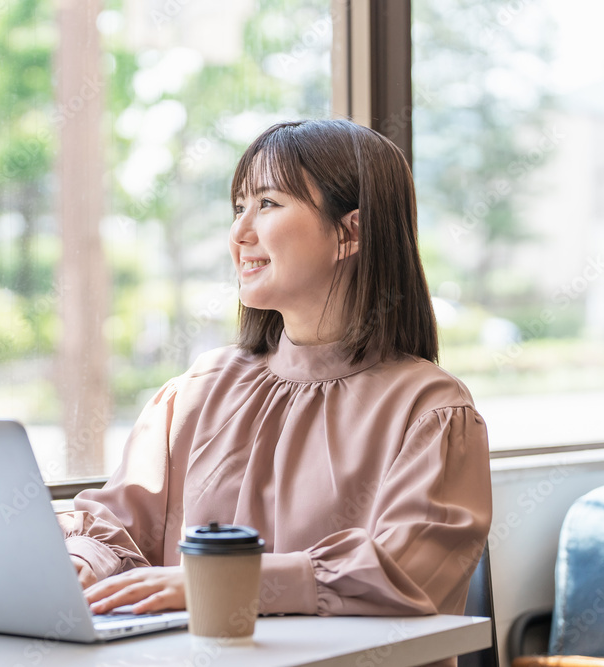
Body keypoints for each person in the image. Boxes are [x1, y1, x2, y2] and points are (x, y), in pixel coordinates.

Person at [57, 119, 493, 623]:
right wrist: (81, 563)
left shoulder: (432, 411)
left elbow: (404, 574)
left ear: (350, 232)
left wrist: (221, 587)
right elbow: (118, 527)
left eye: (267, 204)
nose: (239, 233)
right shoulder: (198, 391)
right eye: (239, 207)